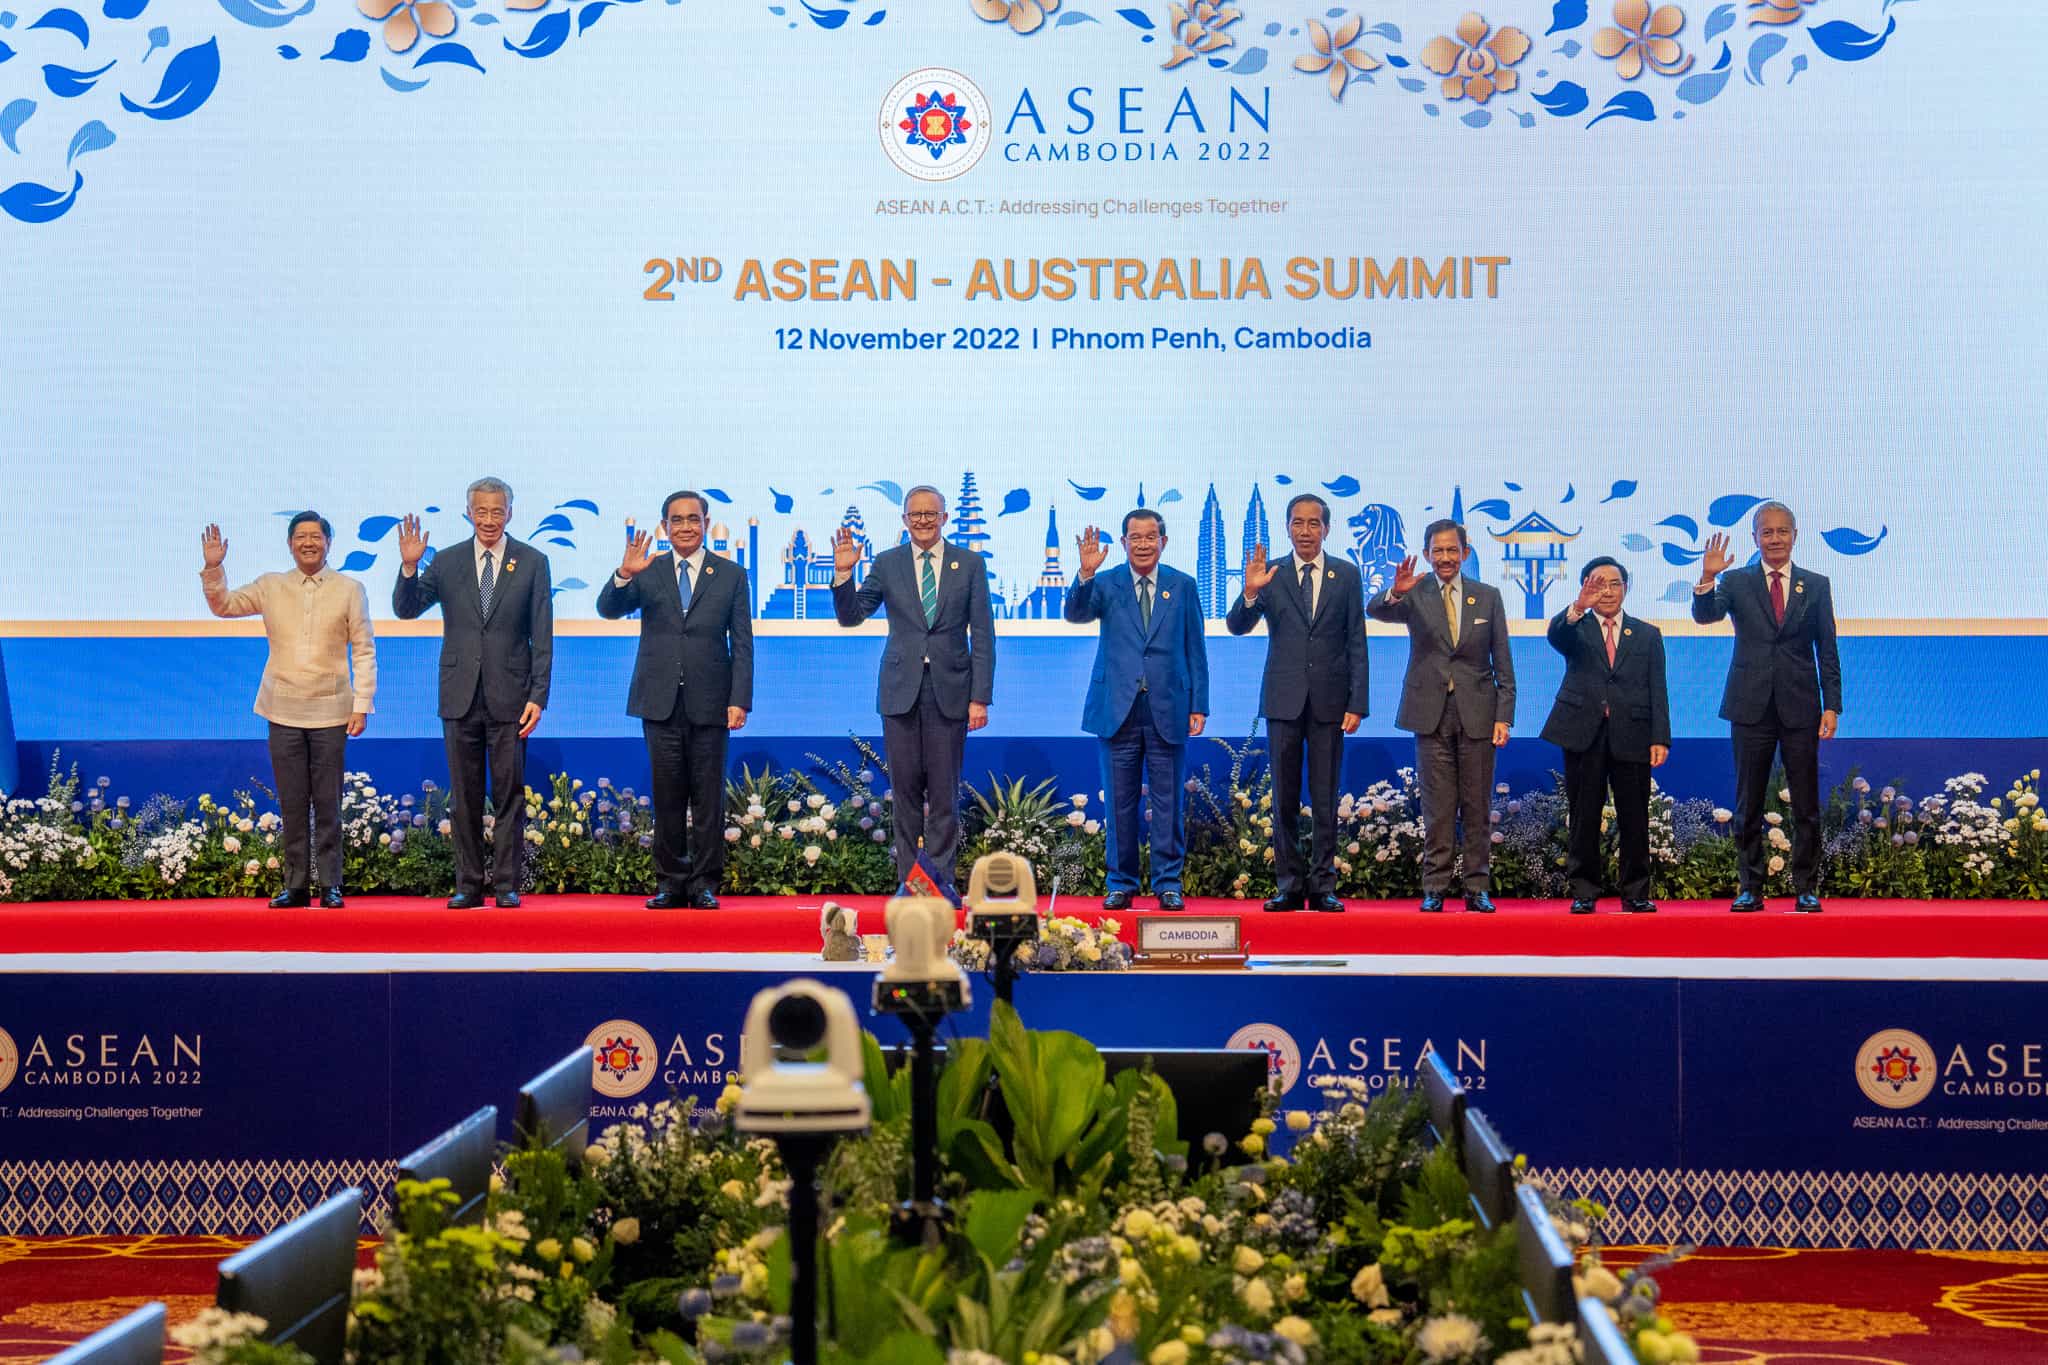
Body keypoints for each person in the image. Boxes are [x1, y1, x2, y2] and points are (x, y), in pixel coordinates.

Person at [200, 513, 375, 908]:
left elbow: (364, 650)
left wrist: (361, 704)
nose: (308, 543)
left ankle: (330, 884)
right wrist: (214, 568)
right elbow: (224, 606)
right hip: (282, 710)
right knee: (292, 801)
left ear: (329, 542)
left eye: (316, 536)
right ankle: (295, 886)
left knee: (327, 802)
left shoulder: (350, 588)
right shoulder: (271, 586)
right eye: (301, 537)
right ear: (290, 544)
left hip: (332, 710)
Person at [393, 477, 554, 909]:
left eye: (496, 511)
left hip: (512, 696)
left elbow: (543, 634)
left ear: (510, 514)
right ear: (468, 513)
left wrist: (539, 695)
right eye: (480, 511)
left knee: (508, 795)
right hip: (460, 693)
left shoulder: (533, 561)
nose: (488, 520)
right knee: (464, 796)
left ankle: (505, 885)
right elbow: (406, 610)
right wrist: (409, 567)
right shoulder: (446, 562)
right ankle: (468, 883)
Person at [831, 485, 994, 896]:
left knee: (943, 792)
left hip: (951, 692)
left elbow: (984, 636)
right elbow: (852, 617)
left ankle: (938, 883)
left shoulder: (969, 563)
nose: (923, 520)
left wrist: (980, 697)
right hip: (900, 691)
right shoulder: (887, 563)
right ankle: (910, 883)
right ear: (904, 520)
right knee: (903, 793)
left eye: (931, 513)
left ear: (944, 518)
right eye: (915, 514)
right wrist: (844, 574)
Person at [597, 492, 753, 910]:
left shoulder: (732, 575)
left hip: (712, 700)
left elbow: (743, 643)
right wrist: (624, 574)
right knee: (667, 796)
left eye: (693, 519)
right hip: (658, 700)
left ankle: (704, 883)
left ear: (706, 522)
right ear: (664, 527)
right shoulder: (648, 570)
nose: (685, 527)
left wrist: (740, 699)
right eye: (676, 520)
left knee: (708, 798)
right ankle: (670, 882)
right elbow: (608, 609)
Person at [1692, 501, 1842, 913]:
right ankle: (1750, 888)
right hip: (1750, 704)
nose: (1775, 539)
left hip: (1801, 705)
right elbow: (1706, 616)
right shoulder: (1738, 582)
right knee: (1748, 803)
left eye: (1783, 532)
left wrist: (1833, 705)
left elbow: (1827, 649)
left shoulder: (1815, 584)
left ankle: (1806, 888)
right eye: (1767, 532)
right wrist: (1708, 576)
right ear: (1755, 538)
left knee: (1807, 803)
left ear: (1795, 536)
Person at [1226, 494, 1369, 913]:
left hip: (1330, 701)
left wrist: (1356, 701)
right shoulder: (1273, 574)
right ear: (1287, 527)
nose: (1305, 531)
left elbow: (1355, 640)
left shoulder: (1347, 574)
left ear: (1327, 528)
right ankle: (1289, 884)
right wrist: (1250, 593)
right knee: (1284, 797)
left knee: (1325, 798)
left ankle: (1323, 885)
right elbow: (1237, 625)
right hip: (1283, 700)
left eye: (1314, 523)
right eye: (1297, 523)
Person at [1369, 519, 1516, 914]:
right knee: (1437, 807)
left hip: (1478, 713)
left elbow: (1502, 660)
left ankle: (1476, 888)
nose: (1446, 557)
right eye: (1438, 551)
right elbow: (1376, 611)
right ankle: (1434, 887)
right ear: (1428, 554)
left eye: (1453, 550)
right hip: (1429, 712)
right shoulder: (1414, 593)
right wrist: (1394, 592)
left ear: (1465, 553)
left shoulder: (1488, 596)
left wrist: (1505, 715)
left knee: (1476, 805)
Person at [1065, 510, 1209, 911]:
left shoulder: (1182, 585)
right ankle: (1121, 882)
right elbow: (1075, 614)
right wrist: (1085, 573)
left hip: (1169, 707)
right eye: (1135, 537)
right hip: (1117, 708)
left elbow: (1195, 649)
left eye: (1151, 537)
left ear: (1164, 541)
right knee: (1119, 801)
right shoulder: (1106, 583)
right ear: (1124, 543)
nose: (1143, 544)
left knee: (1168, 802)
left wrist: (1199, 704)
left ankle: (1167, 883)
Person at [1540, 557, 1669, 915]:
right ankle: (1584, 890)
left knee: (1634, 816)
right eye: (1598, 584)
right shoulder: (1576, 628)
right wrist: (1579, 607)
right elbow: (1556, 634)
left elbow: (1658, 690)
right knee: (1583, 814)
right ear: (1584, 587)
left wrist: (1660, 737)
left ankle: (1636, 892)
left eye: (1614, 584)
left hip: (1633, 734)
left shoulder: (1646, 634)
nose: (1607, 591)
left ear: (1626, 588)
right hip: (1584, 733)